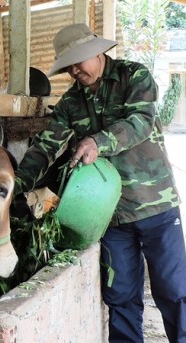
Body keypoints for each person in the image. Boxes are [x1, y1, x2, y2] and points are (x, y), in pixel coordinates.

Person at [15, 23, 186, 342]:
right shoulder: (69, 104)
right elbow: (46, 147)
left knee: (175, 292)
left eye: (80, 59)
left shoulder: (134, 77)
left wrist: (97, 142)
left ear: (99, 51)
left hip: (155, 205)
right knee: (120, 298)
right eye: (69, 65)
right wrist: (16, 183)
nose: (76, 69)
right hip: (108, 216)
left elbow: (140, 122)